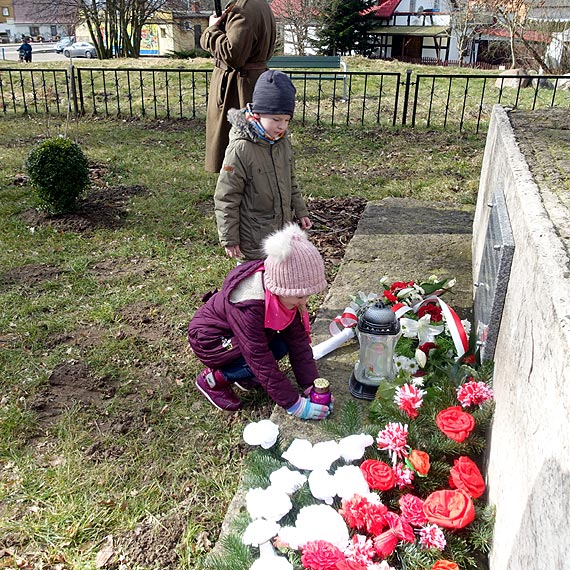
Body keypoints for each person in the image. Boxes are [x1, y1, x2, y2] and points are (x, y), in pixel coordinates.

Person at [188, 223, 332, 421]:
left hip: (241, 336)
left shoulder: (284, 294)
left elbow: (298, 342)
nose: (304, 302)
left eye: (307, 296)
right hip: (212, 340)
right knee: (258, 360)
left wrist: (311, 385)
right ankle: (213, 380)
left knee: (281, 346)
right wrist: (294, 404)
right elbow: (258, 357)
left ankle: (243, 377)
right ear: (282, 288)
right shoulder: (247, 304)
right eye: (300, 297)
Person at [214, 69, 312, 261]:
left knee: (279, 281)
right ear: (257, 114)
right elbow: (227, 197)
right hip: (253, 239)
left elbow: (290, 181)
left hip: (282, 234)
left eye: (286, 120)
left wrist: (300, 211)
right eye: (276, 119)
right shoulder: (241, 149)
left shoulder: (282, 142)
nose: (282, 126)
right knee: (255, 284)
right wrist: (229, 237)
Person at [200, 0, 276, 173]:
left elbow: (232, 53)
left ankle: (237, 195)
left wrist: (210, 31)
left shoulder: (243, 8)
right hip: (251, 82)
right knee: (252, 150)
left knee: (239, 154)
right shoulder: (258, 3)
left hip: (238, 88)